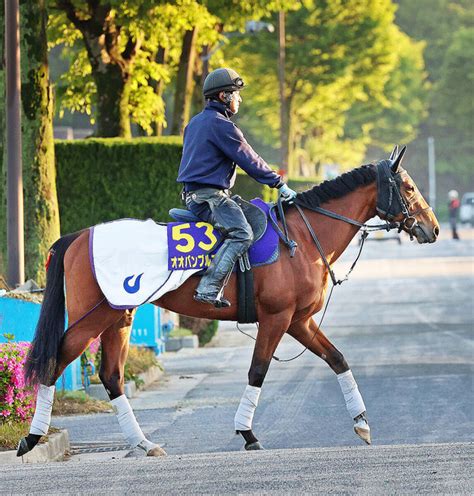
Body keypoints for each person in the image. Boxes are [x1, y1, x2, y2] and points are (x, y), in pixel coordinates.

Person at [177, 68, 297, 308]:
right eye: (236, 94)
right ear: (224, 96)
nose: (239, 99)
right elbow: (250, 160)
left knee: (252, 214)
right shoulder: (221, 125)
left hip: (199, 195)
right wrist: (279, 184)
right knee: (242, 233)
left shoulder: (195, 123)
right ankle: (209, 289)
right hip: (210, 198)